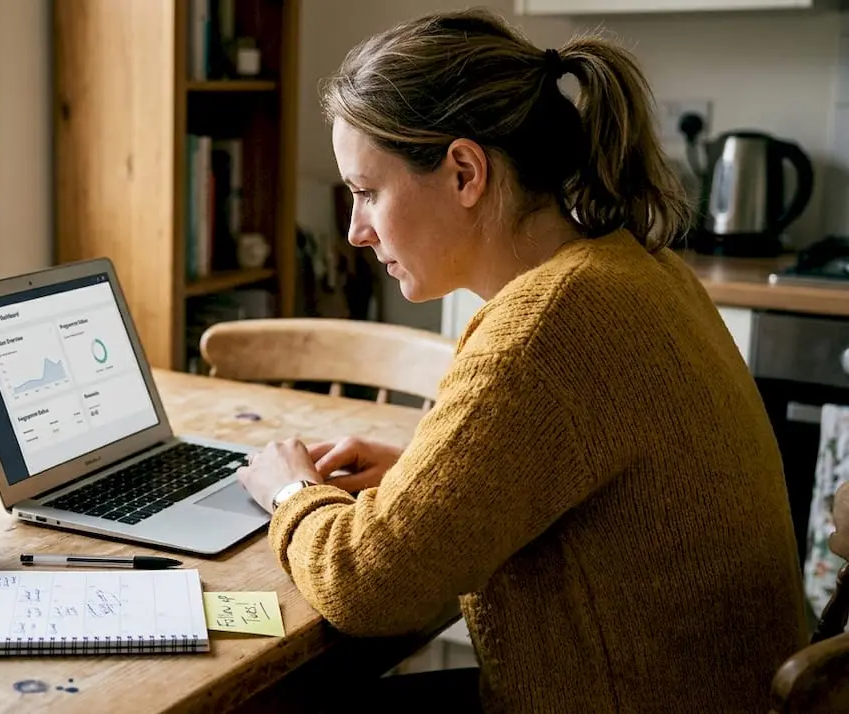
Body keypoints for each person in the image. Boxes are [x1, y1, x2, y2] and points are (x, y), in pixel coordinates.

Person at [234, 8, 808, 713]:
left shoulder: (542, 330)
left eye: (367, 192)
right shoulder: (635, 265)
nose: (355, 231)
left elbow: (366, 586)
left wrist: (291, 493)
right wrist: (428, 477)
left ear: (464, 172)